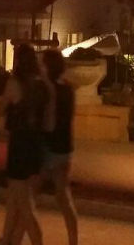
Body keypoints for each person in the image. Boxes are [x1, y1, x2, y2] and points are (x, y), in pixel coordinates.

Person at [0, 44, 48, 245]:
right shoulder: (41, 84)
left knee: (24, 203)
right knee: (14, 197)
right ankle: (8, 239)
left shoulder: (15, 83)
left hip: (19, 144)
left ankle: (37, 240)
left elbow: (0, 109)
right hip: (37, 144)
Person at [39, 49, 78, 245]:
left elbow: (47, 120)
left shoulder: (47, 89)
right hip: (65, 145)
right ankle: (73, 240)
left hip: (49, 146)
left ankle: (13, 237)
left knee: (26, 196)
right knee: (64, 197)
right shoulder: (68, 89)